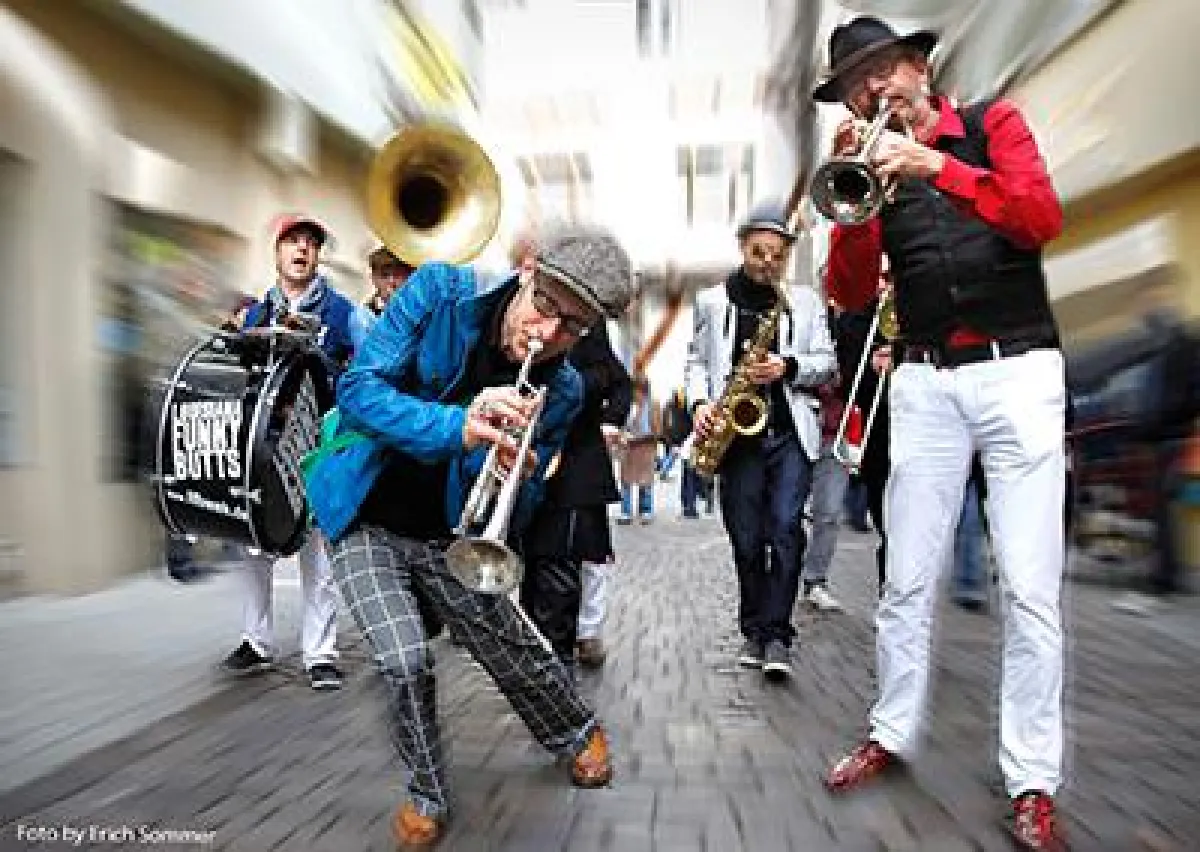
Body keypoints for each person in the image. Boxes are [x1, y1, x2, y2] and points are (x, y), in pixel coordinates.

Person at [815, 17, 1069, 850]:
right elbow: (850, 295)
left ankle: (1033, 780)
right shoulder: (868, 163)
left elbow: (1039, 217)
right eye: (853, 84)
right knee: (905, 579)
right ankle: (889, 731)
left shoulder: (994, 125)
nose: (870, 91)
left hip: (1020, 369)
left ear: (920, 67)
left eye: (881, 69)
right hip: (922, 381)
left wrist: (940, 167)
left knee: (1029, 590)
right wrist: (855, 205)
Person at [303, 223, 633, 846]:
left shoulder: (560, 388)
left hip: (446, 532)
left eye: (572, 328)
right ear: (527, 272)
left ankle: (574, 729)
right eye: (545, 308)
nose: (546, 335)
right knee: (404, 661)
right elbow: (358, 391)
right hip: (364, 511)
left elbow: (515, 505)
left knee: (505, 639)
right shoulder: (437, 292)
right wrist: (459, 424)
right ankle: (427, 790)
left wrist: (519, 470)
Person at [688, 201, 836, 682]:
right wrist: (700, 406)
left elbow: (828, 363)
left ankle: (777, 635)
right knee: (747, 538)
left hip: (790, 432)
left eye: (777, 254)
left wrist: (788, 367)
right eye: (759, 252)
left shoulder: (807, 302)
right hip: (739, 438)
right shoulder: (712, 301)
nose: (768, 262)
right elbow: (696, 362)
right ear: (742, 247)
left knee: (785, 528)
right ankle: (753, 624)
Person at [220, 213, 360, 692]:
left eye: (310, 243)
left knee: (317, 554)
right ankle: (255, 641)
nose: (302, 250)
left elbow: (362, 379)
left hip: (321, 443)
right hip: (266, 445)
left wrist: (315, 351)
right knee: (252, 543)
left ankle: (320, 654)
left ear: (318, 255)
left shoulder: (343, 313)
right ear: (276, 252)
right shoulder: (257, 314)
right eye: (292, 241)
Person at [520, 248, 632, 675]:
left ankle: (561, 651)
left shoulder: (589, 325)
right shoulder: (511, 315)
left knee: (572, 556)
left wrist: (603, 418)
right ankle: (542, 643)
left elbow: (612, 379)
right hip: (528, 450)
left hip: (576, 459)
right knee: (536, 556)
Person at [799, 372, 848, 612]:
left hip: (835, 435)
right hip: (797, 431)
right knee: (785, 512)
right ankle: (781, 575)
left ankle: (815, 579)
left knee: (829, 511)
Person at [616, 377, 660, 525]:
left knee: (645, 481)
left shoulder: (653, 405)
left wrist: (639, 438)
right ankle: (626, 511)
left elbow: (658, 430)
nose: (635, 394)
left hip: (646, 448)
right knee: (626, 481)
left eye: (636, 390)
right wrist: (622, 436)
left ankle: (646, 510)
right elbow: (622, 424)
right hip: (629, 449)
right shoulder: (630, 405)